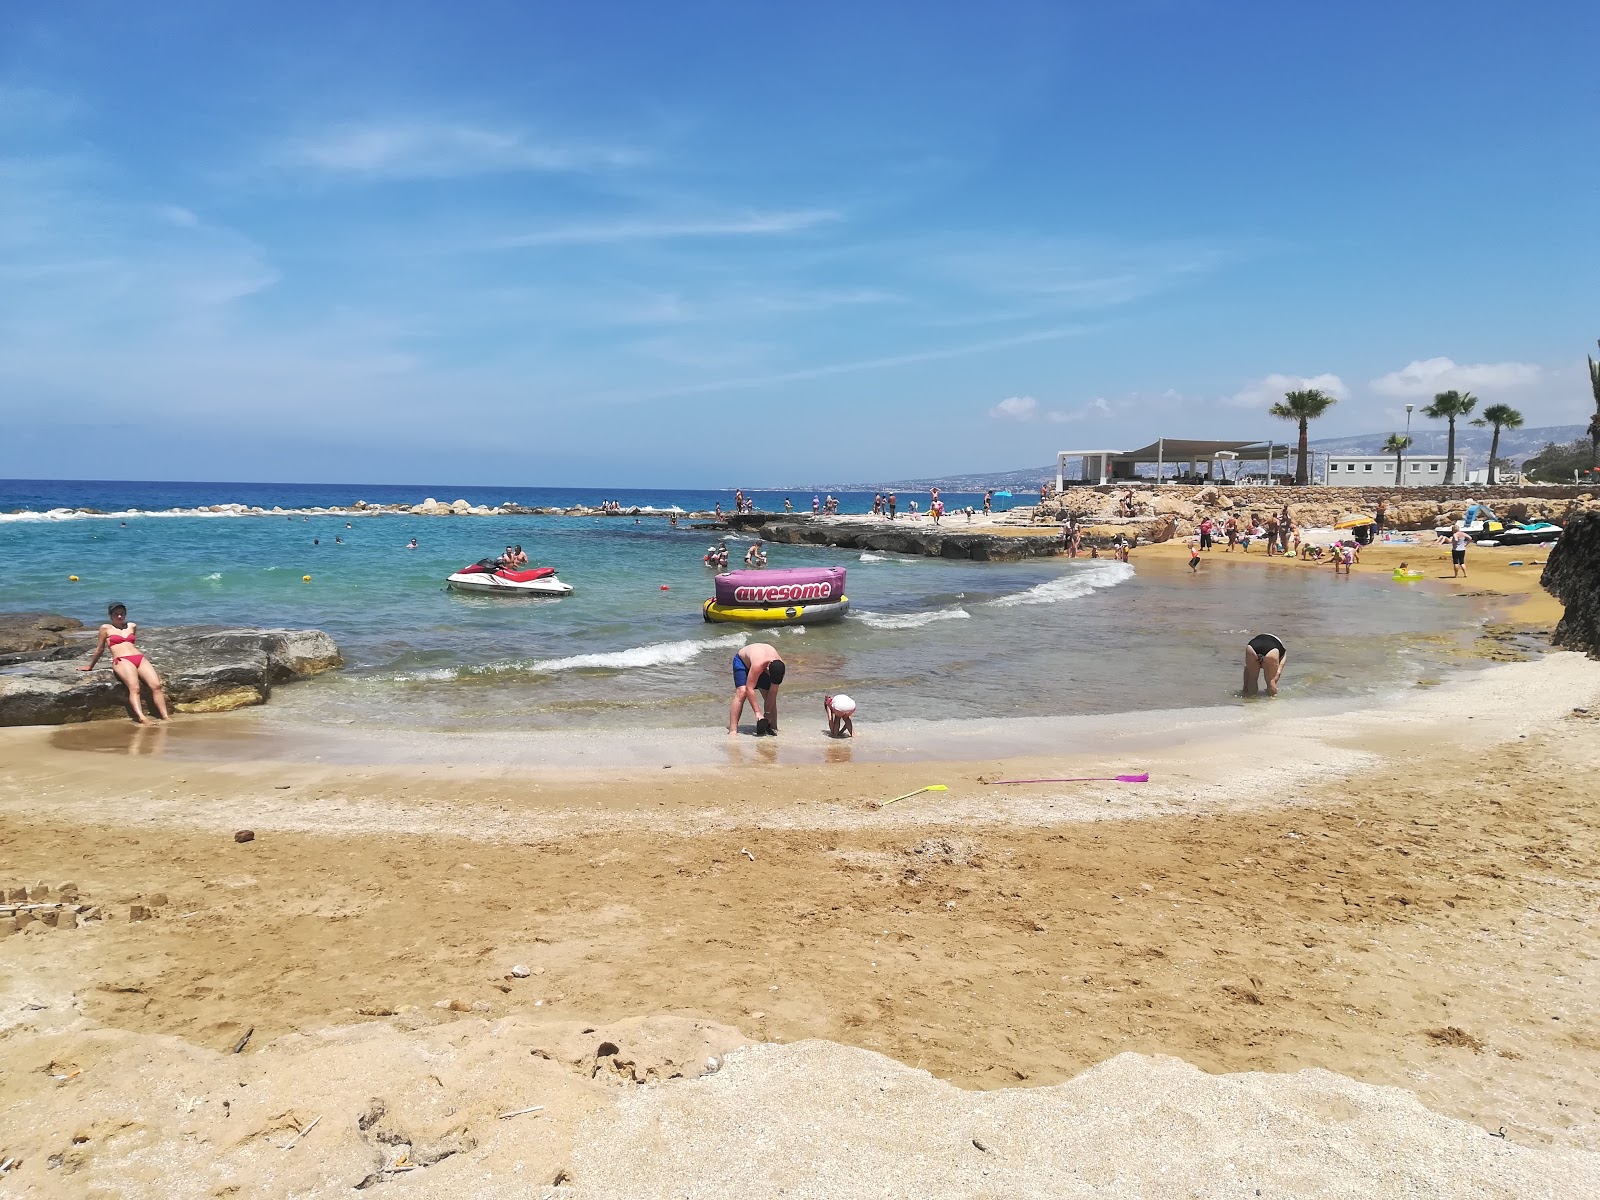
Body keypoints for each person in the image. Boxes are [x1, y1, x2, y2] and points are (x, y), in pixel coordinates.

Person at [79, 602, 169, 724]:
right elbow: (100, 649)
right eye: (116, 614)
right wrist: (90, 666)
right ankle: (142, 718)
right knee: (135, 688)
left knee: (156, 685)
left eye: (122, 614)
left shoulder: (132, 626)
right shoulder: (105, 628)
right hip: (122, 660)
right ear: (111, 615)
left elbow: (131, 643)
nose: (120, 616)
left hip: (139, 658)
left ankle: (165, 716)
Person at [729, 643, 785, 735]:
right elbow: (749, 689)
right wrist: (757, 713)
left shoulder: (779, 667)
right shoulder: (758, 664)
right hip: (742, 662)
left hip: (763, 664)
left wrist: (767, 713)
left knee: (769, 696)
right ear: (767, 667)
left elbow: (773, 692)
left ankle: (773, 727)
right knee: (742, 692)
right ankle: (733, 730)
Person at [1243, 633, 1287, 697]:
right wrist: (1270, 686)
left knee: (1252, 678)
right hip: (1272, 650)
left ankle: (1250, 699)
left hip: (1252, 646)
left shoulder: (1259, 638)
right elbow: (1278, 673)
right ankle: (1271, 700)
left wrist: (1245, 688)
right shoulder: (1283, 652)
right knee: (1271, 681)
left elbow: (1246, 669)